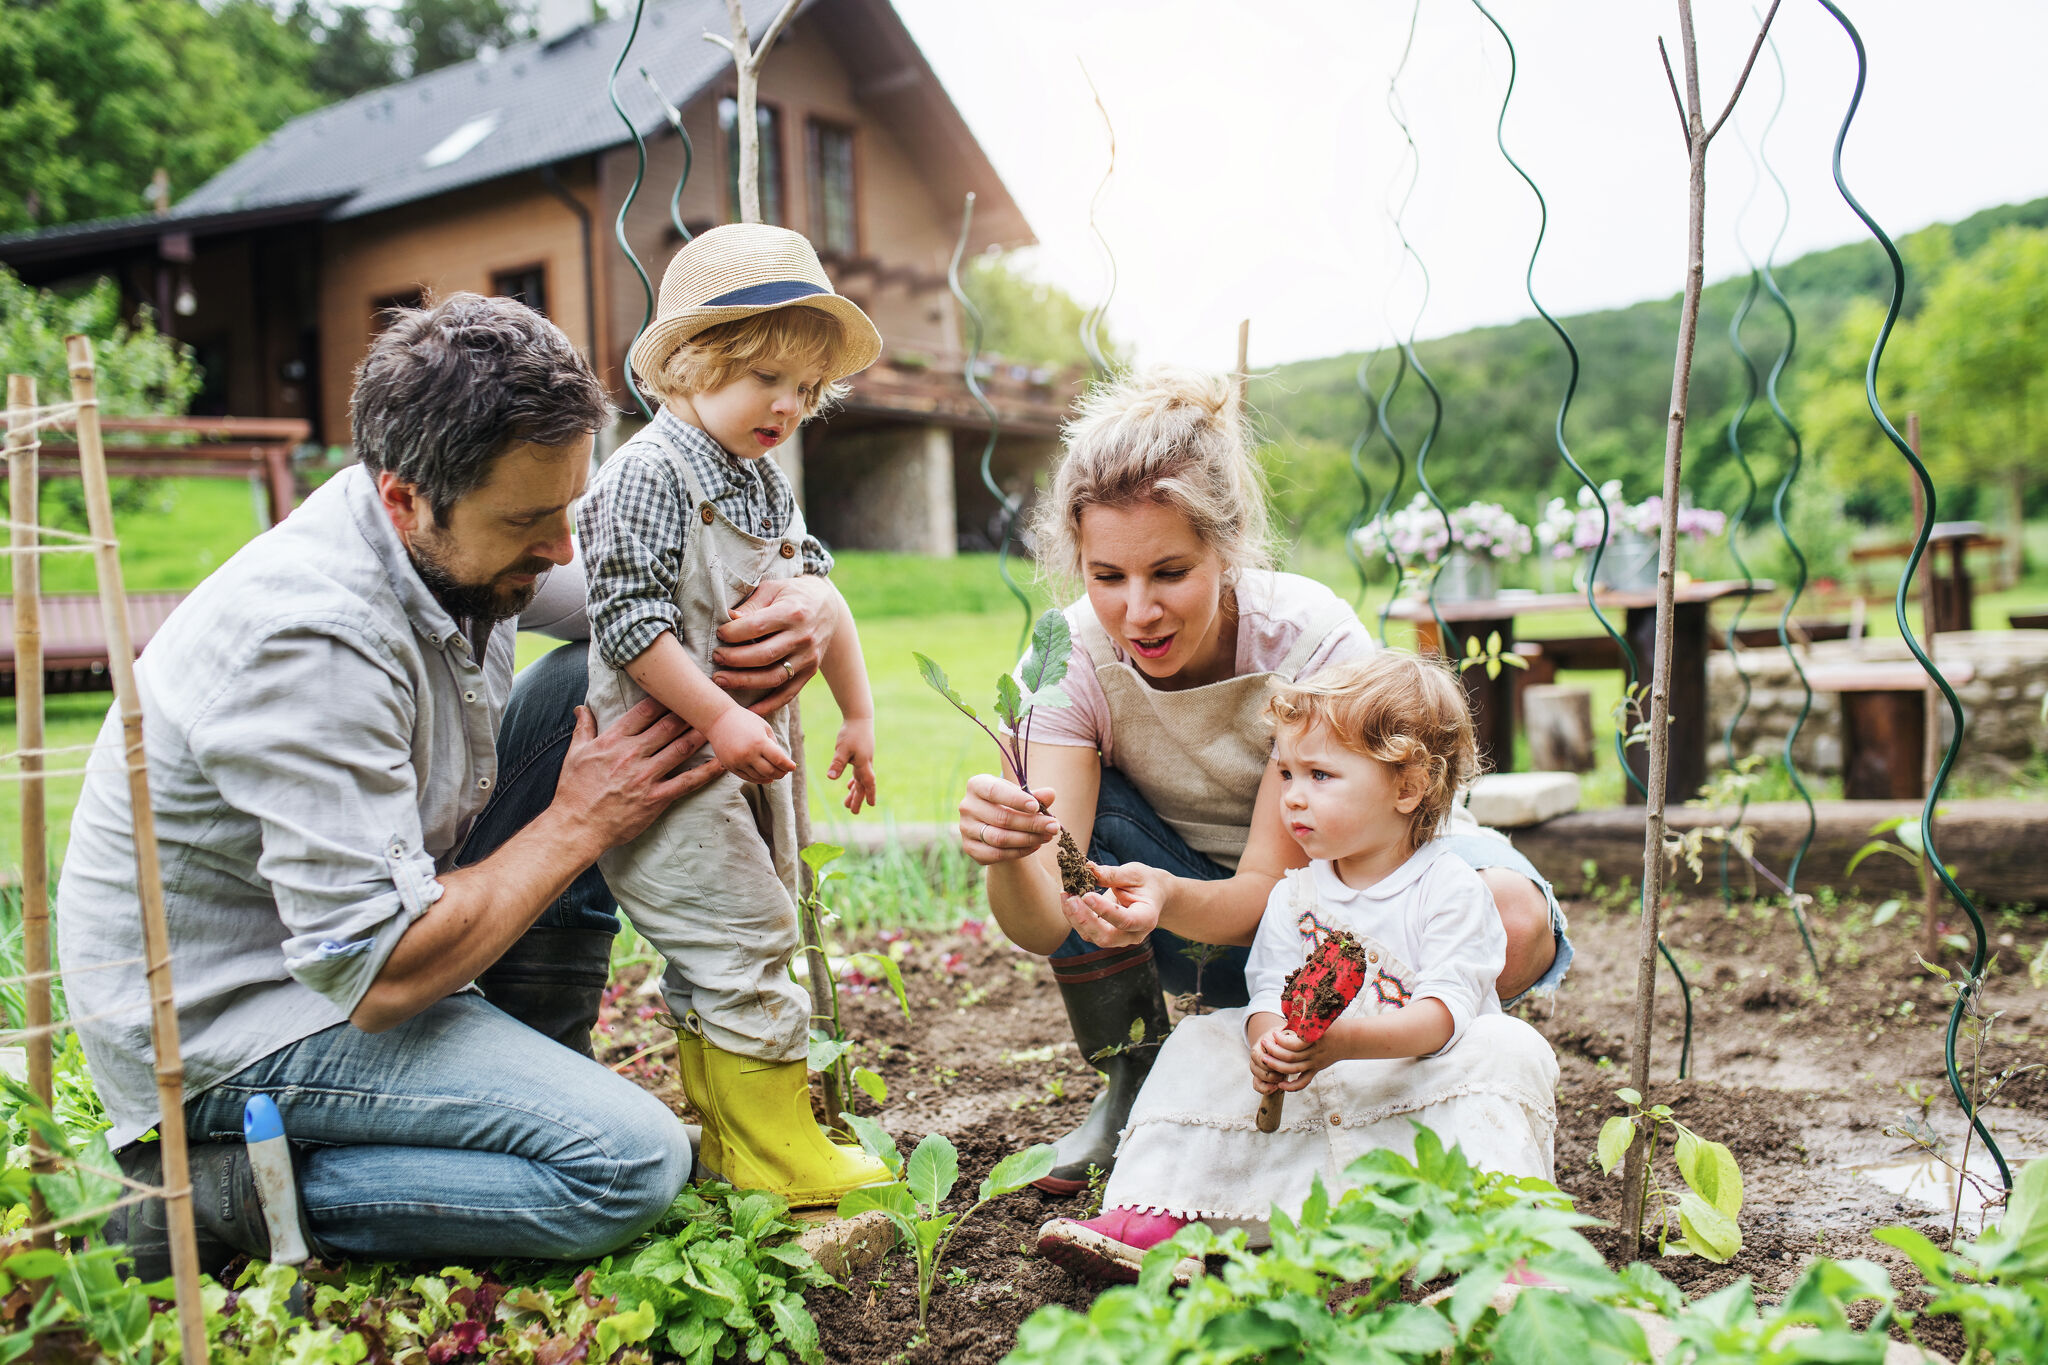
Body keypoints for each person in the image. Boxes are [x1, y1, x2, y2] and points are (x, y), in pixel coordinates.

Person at [57, 292, 837, 1277]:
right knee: (628, 1165)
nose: (563, 548)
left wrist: (811, 592)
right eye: (529, 521)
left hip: (357, 947)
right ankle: (210, 1199)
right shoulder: (308, 644)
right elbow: (376, 974)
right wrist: (579, 822)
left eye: (570, 508)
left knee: (587, 685)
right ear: (404, 500)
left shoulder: (470, 538)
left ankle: (540, 1049)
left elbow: (633, 603)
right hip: (241, 1021)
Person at [954, 367, 1573, 1192]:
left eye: (1170, 572)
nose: (1138, 610)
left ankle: (1405, 1078)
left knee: (1514, 917)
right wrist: (1006, 853)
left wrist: (1170, 900)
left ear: (1227, 549)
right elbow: (1045, 922)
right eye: (1108, 577)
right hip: (1182, 910)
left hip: (1343, 889)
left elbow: (1276, 885)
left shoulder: (1306, 637)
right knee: (1074, 841)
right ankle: (1135, 1079)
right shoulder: (1064, 661)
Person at [1036, 652, 1560, 1281]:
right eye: (1285, 773)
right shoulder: (1295, 895)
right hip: (1315, 1086)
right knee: (1204, 1039)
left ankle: (1505, 1236)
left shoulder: (1449, 888)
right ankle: (1160, 1212)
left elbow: (1445, 1016)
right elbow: (1266, 998)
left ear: (1408, 787)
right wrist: (1270, 1045)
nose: (1293, 798)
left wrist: (1344, 1042)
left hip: (1414, 1088)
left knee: (1507, 1047)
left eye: (1319, 774)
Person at [576, 223, 890, 1206]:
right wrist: (717, 718)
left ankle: (733, 1147)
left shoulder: (756, 480)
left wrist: (856, 715)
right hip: (669, 765)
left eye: (803, 388)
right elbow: (627, 625)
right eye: (761, 378)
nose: (786, 407)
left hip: (741, 761)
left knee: (732, 947)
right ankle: (778, 1152)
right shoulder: (646, 475)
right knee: (742, 934)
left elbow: (816, 593)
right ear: (686, 365)